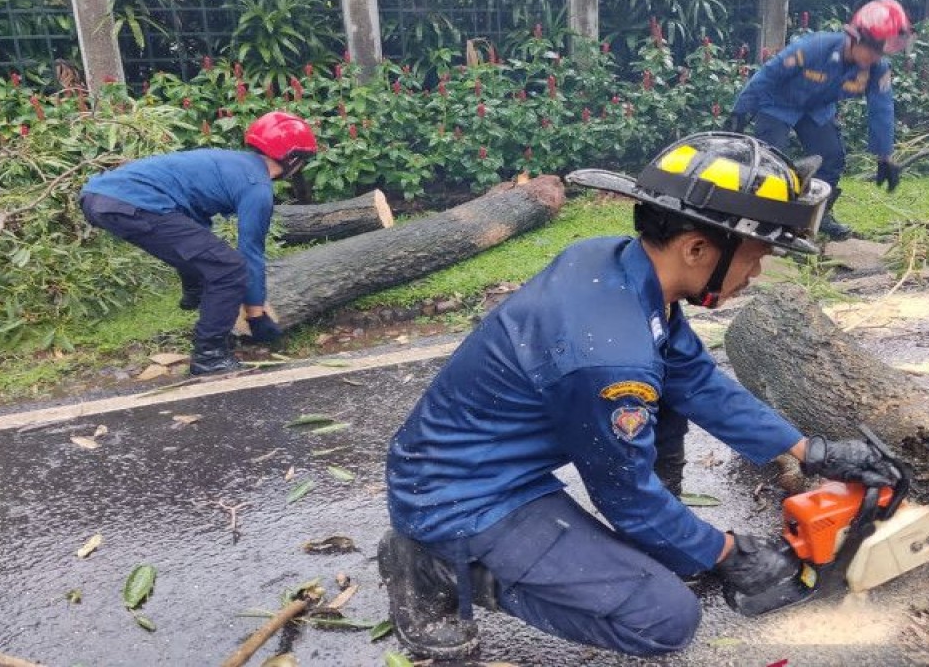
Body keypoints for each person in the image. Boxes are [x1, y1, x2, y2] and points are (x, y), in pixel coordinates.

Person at [379, 132, 899, 659]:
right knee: (664, 620)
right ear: (697, 248)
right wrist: (729, 554)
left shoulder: (615, 265)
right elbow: (624, 494)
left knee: (669, 398)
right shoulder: (612, 360)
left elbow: (695, 379)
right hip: (459, 496)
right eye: (756, 257)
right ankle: (437, 568)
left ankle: (661, 544)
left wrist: (810, 451)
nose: (757, 274)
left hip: (480, 464)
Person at [79, 111, 317, 376]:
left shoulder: (229, 162)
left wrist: (194, 283)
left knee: (211, 257)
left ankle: (198, 302)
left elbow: (192, 229)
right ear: (293, 159)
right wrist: (256, 316)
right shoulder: (257, 185)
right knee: (229, 268)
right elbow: (250, 252)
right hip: (134, 203)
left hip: (99, 197)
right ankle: (209, 355)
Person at [728, 0, 913, 241]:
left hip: (817, 110)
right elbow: (767, 76)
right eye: (872, 49)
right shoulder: (814, 48)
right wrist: (740, 112)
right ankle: (769, 220)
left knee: (832, 156)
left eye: (881, 52)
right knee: (773, 161)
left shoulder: (877, 69)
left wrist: (884, 156)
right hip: (778, 104)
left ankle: (818, 215)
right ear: (855, 38)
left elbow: (882, 109)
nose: (875, 57)